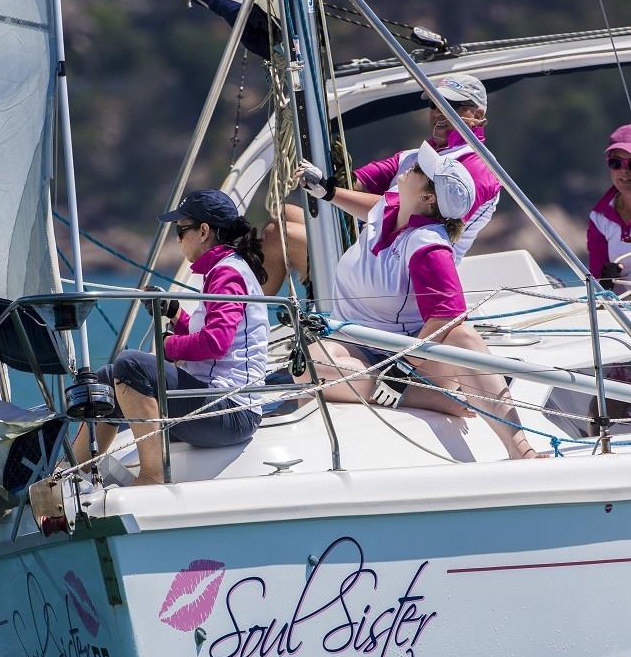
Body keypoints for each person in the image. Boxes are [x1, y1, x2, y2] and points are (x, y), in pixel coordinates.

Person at [295, 144, 539, 459]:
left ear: (428, 199)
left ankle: (520, 447)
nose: (411, 167)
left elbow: (446, 318)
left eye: (421, 171)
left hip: (409, 353)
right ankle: (425, 397)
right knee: (306, 365)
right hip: (355, 340)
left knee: (464, 336)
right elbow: (374, 207)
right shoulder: (394, 206)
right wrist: (327, 193)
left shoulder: (428, 245)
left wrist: (402, 371)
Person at [75, 190, 269, 485]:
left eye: (181, 230)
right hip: (215, 403)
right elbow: (211, 335)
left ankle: (152, 477)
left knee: (131, 365)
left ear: (203, 231)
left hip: (231, 410)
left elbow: (216, 342)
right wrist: (177, 315)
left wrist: (168, 345)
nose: (178, 239)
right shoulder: (224, 269)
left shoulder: (227, 274)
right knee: (107, 378)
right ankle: (76, 473)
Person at [261, 73, 501, 294]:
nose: (439, 112)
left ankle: (249, 327)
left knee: (278, 234)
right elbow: (356, 184)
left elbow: (404, 212)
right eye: (434, 104)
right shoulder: (415, 156)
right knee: (285, 213)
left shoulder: (478, 170)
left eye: (451, 106)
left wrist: (330, 192)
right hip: (381, 253)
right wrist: (327, 175)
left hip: (405, 273)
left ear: (477, 116)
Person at [587, 124, 631, 293]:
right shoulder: (599, 218)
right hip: (620, 312)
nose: (624, 171)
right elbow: (597, 280)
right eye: (616, 163)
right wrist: (606, 278)